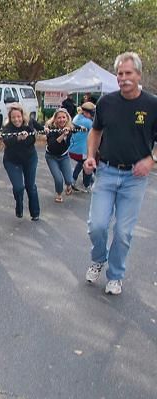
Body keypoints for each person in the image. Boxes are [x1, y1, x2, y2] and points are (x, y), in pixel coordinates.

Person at [84, 52, 157, 295]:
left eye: (128, 73)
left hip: (134, 179)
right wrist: (91, 156)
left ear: (138, 75)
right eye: (120, 74)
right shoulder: (106, 103)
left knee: (124, 233)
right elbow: (95, 132)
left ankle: (115, 276)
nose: (123, 78)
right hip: (106, 172)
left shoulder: (152, 105)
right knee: (97, 226)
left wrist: (151, 159)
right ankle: (98, 259)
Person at [1, 103, 41, 220]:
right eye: (13, 117)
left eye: (18, 116)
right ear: (10, 118)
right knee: (18, 187)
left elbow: (42, 129)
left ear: (22, 116)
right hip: (12, 161)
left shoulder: (30, 123)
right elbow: (7, 141)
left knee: (30, 186)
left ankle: (35, 213)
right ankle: (19, 205)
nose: (16, 119)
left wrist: (48, 129)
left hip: (30, 159)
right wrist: (18, 138)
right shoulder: (7, 128)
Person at [44, 108, 74, 203]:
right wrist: (63, 135)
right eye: (59, 118)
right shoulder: (51, 130)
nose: (62, 120)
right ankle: (59, 193)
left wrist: (70, 129)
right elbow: (52, 145)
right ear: (55, 119)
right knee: (58, 178)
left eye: (64, 117)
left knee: (69, 180)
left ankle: (69, 186)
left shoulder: (69, 127)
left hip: (64, 156)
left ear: (67, 118)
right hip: (51, 156)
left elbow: (79, 128)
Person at [70, 102, 96, 192]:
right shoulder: (88, 122)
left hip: (72, 149)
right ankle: (87, 185)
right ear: (85, 112)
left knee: (81, 163)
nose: (93, 115)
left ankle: (73, 180)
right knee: (88, 164)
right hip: (81, 151)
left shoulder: (77, 117)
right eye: (91, 113)